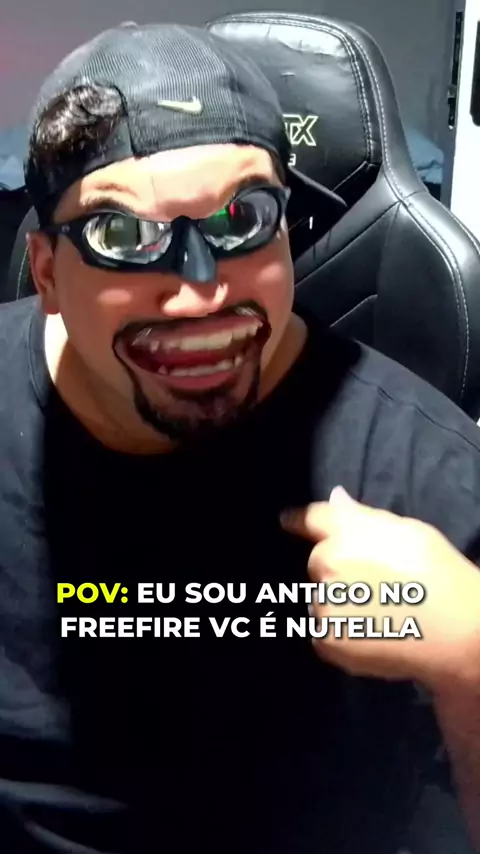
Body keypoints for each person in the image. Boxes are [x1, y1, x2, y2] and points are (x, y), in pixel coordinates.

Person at [0, 20, 479, 854]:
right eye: (123, 237)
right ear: (46, 271)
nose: (199, 291)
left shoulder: (423, 480)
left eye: (242, 218)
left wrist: (472, 654)